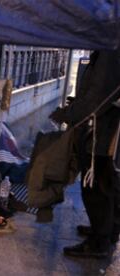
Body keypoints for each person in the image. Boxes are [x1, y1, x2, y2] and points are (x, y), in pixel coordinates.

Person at [50, 49, 120, 258]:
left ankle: (99, 242)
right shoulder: (109, 48)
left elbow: (97, 97)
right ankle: (108, 230)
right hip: (105, 129)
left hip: (101, 132)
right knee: (107, 181)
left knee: (95, 185)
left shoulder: (111, 51)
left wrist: (68, 114)